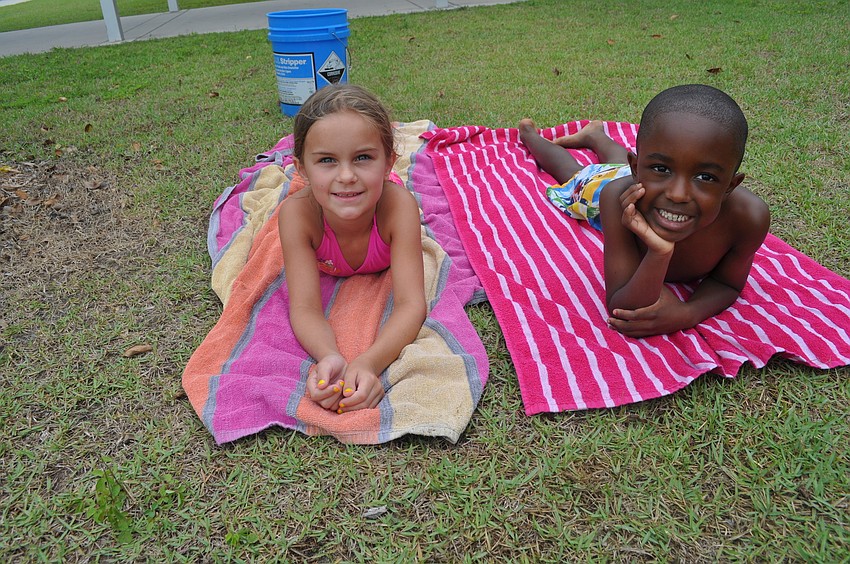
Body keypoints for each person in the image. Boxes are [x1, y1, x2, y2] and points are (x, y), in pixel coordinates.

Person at [519, 84, 770, 338]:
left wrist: (688, 312)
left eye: (705, 177)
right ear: (637, 167)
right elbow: (624, 308)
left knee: (621, 167)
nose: (678, 194)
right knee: (574, 175)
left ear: (730, 185)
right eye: (662, 168)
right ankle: (530, 136)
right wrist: (659, 252)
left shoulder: (749, 219)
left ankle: (596, 136)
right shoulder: (615, 199)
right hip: (613, 189)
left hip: (645, 186)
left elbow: (728, 284)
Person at [278, 84, 426, 413]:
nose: (346, 176)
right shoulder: (297, 216)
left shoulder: (398, 207)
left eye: (363, 158)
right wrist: (329, 356)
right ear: (301, 168)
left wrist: (369, 362)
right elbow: (305, 308)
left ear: (389, 162)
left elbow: (411, 303)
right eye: (327, 160)